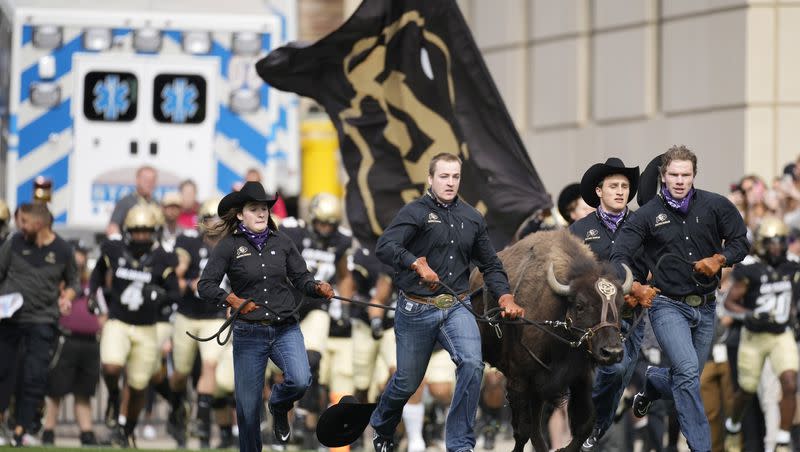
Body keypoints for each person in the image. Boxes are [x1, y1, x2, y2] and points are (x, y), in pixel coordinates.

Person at [370, 152, 525, 452]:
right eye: (444, 176)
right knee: (406, 382)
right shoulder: (414, 212)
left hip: (456, 304)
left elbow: (491, 265)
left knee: (471, 363)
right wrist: (415, 263)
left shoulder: (472, 217)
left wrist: (505, 295)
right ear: (430, 179)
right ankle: (382, 423)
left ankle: (459, 444)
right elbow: (385, 246)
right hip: (416, 308)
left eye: (455, 177)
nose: (450, 182)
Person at [610, 145, 749, 452]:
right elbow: (618, 253)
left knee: (685, 379)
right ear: (663, 176)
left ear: (694, 175)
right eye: (673, 174)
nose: (680, 180)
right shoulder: (646, 216)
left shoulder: (716, 206)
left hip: (707, 307)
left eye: (685, 174)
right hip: (667, 305)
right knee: (686, 375)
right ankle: (701, 447)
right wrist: (632, 285)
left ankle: (653, 384)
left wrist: (720, 258)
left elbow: (741, 241)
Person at [198, 181, 335, 452]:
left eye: (264, 209)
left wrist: (317, 287)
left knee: (300, 379)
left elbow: (301, 277)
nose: (262, 214)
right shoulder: (228, 247)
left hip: (285, 327)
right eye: (254, 209)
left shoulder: (283, 242)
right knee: (248, 411)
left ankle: (278, 405)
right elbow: (206, 285)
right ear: (240, 214)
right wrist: (232, 299)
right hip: (249, 333)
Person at [567, 157, 652, 451]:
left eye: (625, 186)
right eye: (613, 186)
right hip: (593, 321)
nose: (620, 191)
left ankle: (592, 431)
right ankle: (589, 429)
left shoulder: (643, 223)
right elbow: (570, 274)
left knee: (620, 376)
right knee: (611, 373)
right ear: (599, 191)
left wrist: (646, 287)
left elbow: (654, 266)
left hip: (632, 314)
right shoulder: (579, 229)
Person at [90, 204, 180, 447]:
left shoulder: (163, 256)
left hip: (147, 327)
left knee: (139, 385)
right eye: (137, 230)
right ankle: (114, 397)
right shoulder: (115, 249)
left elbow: (175, 293)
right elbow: (97, 273)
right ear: (128, 230)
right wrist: (93, 296)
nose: (141, 235)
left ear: (155, 231)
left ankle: (126, 430)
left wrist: (159, 296)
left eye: (146, 230)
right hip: (118, 321)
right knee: (110, 367)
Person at [0, 202, 79, 446]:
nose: (19, 226)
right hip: (10, 320)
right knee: (3, 373)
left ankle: (22, 429)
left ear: (38, 223)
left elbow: (74, 282)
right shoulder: (13, 243)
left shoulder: (63, 250)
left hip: (43, 321)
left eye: (23, 221)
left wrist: (67, 297)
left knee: (34, 377)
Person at [281, 192, 354, 447]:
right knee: (283, 371)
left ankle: (303, 418)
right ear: (312, 219)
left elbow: (344, 275)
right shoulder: (295, 233)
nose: (325, 229)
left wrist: (344, 304)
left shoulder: (341, 241)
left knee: (312, 360)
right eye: (321, 223)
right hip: (287, 308)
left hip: (316, 307)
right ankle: (280, 421)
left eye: (330, 224)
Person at [723, 217, 798, 452]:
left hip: (781, 335)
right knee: (746, 390)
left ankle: (783, 440)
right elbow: (730, 303)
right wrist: (750, 314)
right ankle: (733, 426)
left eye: (780, 241)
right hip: (754, 337)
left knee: (789, 382)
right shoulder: (749, 268)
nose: (776, 246)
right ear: (761, 243)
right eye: (771, 241)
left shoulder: (793, 266)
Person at [169, 197, 227, 448]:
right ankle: (177, 407)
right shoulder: (188, 242)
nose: (213, 224)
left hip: (214, 316)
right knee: (180, 374)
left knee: (210, 365)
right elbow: (177, 273)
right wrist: (187, 283)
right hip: (188, 315)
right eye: (209, 219)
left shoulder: (234, 246)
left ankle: (202, 424)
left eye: (218, 219)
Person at [41, 242, 106, 447]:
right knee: (56, 390)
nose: (80, 260)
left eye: (83, 256)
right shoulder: (59, 283)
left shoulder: (92, 285)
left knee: (84, 391)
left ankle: (86, 432)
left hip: (89, 343)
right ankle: (48, 431)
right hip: (65, 339)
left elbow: (103, 312)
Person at [107, 165, 159, 236]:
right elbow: (113, 226)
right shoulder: (126, 202)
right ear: (137, 180)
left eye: (152, 180)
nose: (149, 183)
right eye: (146, 180)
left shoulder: (157, 203)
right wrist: (117, 241)